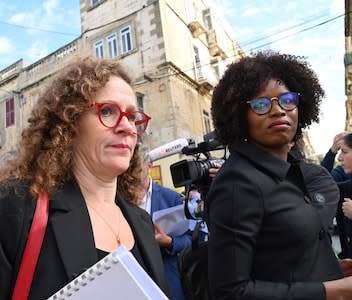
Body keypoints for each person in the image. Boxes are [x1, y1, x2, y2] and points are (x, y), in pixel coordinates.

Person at [0, 57, 170, 299]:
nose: (128, 127)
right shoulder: (14, 206)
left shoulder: (142, 222)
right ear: (70, 122)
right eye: (108, 111)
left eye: (133, 116)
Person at [207, 50, 352, 300]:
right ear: (241, 116)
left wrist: (330, 268)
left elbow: (281, 258)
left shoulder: (294, 172)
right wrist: (331, 291)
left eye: (286, 100)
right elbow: (230, 291)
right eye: (261, 105)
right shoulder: (237, 183)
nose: (278, 110)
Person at [138, 159, 191, 300]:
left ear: (149, 164)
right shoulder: (120, 199)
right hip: (136, 282)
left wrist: (169, 242)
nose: (132, 170)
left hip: (168, 282)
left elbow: (190, 239)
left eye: (136, 164)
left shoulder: (170, 198)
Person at [336, 133, 352, 258]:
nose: (339, 158)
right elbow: (318, 187)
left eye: (344, 152)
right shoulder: (347, 187)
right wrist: (331, 152)